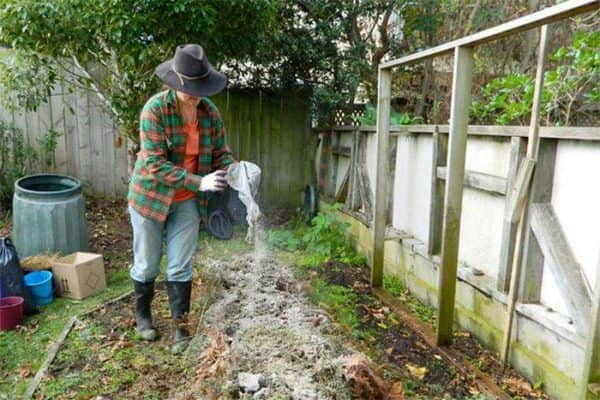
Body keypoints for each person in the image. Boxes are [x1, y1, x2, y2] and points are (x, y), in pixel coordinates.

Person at [127, 44, 235, 343]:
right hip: (150, 198)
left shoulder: (209, 113)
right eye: (189, 88)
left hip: (187, 201)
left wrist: (238, 169)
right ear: (173, 83)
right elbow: (153, 163)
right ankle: (143, 316)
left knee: (179, 264)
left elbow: (220, 154)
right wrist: (198, 182)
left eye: (200, 88)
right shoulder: (155, 110)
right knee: (148, 262)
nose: (195, 94)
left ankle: (179, 326)